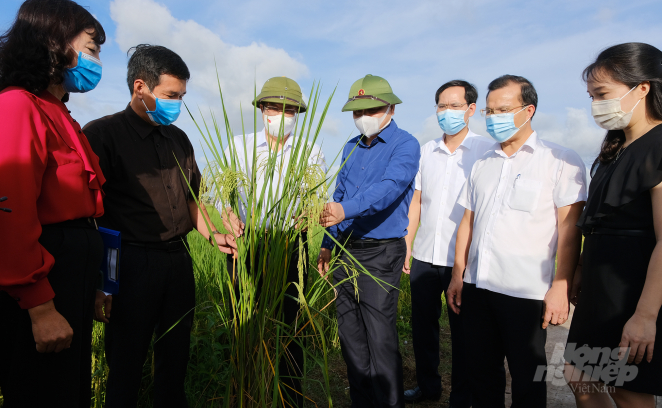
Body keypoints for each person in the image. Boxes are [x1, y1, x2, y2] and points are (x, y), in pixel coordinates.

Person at [83, 44, 235, 408]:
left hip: (177, 263)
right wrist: (102, 283)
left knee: (175, 354)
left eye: (181, 96)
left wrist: (214, 235)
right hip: (131, 264)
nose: (177, 104)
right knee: (126, 360)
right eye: (170, 95)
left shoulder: (178, 139)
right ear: (140, 87)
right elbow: (90, 215)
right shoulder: (102, 135)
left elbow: (191, 201)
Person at [0, 1, 106, 406]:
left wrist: (94, 285)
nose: (96, 60)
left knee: (68, 393)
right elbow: (10, 214)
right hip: (40, 284)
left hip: (70, 279)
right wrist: (39, 307)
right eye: (91, 48)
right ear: (54, 43)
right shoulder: (16, 106)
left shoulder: (62, 115)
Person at [446, 75, 587, 408]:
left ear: (529, 110)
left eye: (503, 110)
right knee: (482, 374)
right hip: (478, 288)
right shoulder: (482, 163)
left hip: (525, 293)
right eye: (490, 111)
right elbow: (468, 221)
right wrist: (457, 275)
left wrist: (560, 286)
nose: (495, 117)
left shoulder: (559, 160)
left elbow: (569, 231)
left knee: (527, 379)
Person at [564, 42, 662, 408]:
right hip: (599, 289)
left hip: (635, 289)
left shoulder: (658, 146)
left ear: (643, 87)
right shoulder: (614, 148)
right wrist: (579, 268)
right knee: (580, 377)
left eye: (602, 94)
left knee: (627, 387)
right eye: (591, 96)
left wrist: (646, 316)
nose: (595, 106)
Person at [219, 76, 327, 407]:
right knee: (244, 322)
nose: (280, 114)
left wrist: (309, 215)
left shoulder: (311, 152)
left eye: (288, 109)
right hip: (247, 244)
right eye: (272, 107)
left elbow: (316, 200)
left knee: (290, 325)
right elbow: (225, 195)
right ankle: (246, 391)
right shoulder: (238, 146)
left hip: (291, 246)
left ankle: (288, 397)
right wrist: (227, 214)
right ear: (261, 110)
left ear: (297, 113)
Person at [317, 74, 420, 408]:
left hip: (380, 252)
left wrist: (344, 209)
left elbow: (390, 187)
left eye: (370, 109)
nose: (363, 117)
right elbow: (339, 195)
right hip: (346, 252)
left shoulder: (406, 145)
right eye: (356, 111)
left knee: (379, 336)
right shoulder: (350, 147)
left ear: (389, 107)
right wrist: (327, 244)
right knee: (351, 336)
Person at [403, 80, 493, 405]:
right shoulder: (426, 151)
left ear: (470, 109)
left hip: (464, 259)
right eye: (442, 106)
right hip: (426, 255)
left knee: (464, 333)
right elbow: (416, 202)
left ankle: (461, 394)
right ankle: (428, 387)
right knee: (422, 327)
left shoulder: (486, 151)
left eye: (455, 106)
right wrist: (408, 243)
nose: (447, 112)